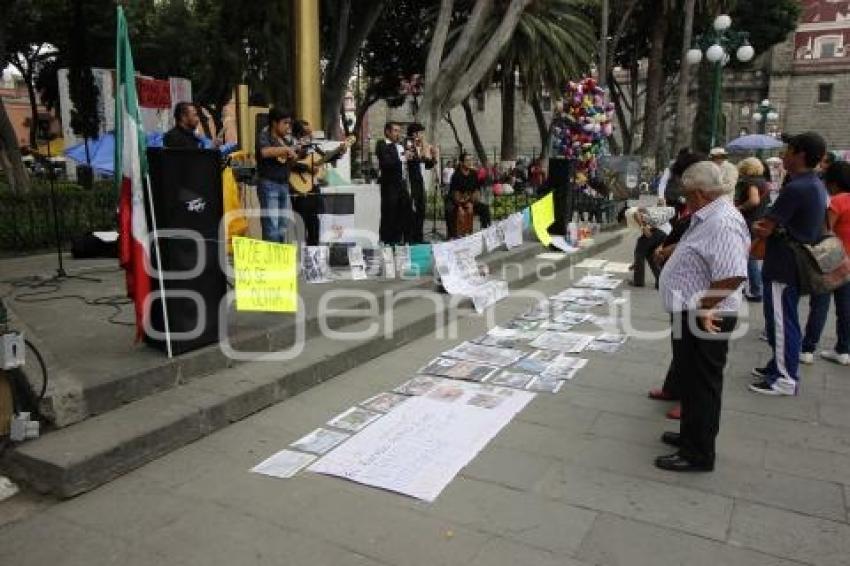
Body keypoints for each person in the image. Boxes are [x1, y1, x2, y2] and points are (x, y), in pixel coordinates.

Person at [656, 161, 749, 472]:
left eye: (686, 193)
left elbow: (733, 275)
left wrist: (705, 306)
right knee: (691, 380)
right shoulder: (709, 215)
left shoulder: (723, 221)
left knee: (703, 384)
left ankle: (698, 453)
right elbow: (699, 250)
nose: (683, 198)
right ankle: (689, 436)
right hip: (692, 312)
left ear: (698, 193)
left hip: (708, 315)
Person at [750, 132, 829, 396]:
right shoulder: (813, 183)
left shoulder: (797, 188)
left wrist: (756, 227)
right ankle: (777, 365)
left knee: (782, 322)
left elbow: (766, 227)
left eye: (789, 150)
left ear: (801, 155)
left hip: (785, 262)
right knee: (785, 319)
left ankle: (784, 378)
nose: (784, 155)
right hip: (793, 261)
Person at [799, 161, 850, 365]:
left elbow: (825, 230)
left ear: (834, 182)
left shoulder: (838, 201)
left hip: (832, 259)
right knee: (845, 307)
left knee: (820, 304)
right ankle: (844, 349)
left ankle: (808, 349)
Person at [288, 119, 348, 246]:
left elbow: (326, 157)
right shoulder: (292, 147)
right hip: (300, 191)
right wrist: (307, 168)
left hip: (314, 189)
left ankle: (313, 254)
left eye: (311, 132)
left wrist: (338, 153)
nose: (310, 135)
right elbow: (289, 164)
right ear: (298, 134)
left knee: (314, 224)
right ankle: (300, 257)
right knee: (300, 225)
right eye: (307, 132)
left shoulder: (314, 146)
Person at [255, 108, 297, 243]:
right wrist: (285, 149)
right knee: (271, 225)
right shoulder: (265, 135)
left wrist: (294, 155)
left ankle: (279, 258)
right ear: (274, 123)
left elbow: (291, 160)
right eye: (285, 123)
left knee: (282, 226)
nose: (288, 127)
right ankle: (271, 261)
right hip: (268, 183)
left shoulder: (287, 140)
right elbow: (264, 152)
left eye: (289, 123)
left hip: (284, 184)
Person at [734, 158, 770, 301]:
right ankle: (754, 288)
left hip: (749, 221)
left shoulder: (752, 183)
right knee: (750, 255)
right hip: (759, 219)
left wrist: (740, 207)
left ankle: (756, 289)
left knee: (749, 256)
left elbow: (754, 200)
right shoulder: (764, 182)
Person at [376, 121, 413, 244]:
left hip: (401, 184)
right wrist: (403, 158)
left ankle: (400, 240)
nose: (398, 133)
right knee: (389, 213)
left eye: (399, 131)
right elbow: (386, 163)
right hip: (389, 185)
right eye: (395, 130)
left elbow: (404, 163)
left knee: (405, 212)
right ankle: (386, 241)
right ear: (387, 131)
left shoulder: (401, 146)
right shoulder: (382, 144)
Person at [405, 123, 437, 244]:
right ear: (415, 133)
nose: (422, 136)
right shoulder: (408, 143)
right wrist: (424, 147)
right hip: (410, 181)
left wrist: (433, 157)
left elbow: (427, 164)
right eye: (420, 133)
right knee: (412, 210)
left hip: (419, 180)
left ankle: (418, 236)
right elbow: (414, 159)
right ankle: (410, 238)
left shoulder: (419, 145)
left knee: (421, 209)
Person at [447, 152, 491, 238]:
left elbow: (477, 190)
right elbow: (454, 194)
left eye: (471, 160)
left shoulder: (473, 174)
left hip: (470, 200)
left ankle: (485, 232)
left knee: (484, 208)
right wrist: (460, 206)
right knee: (449, 209)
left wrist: (472, 202)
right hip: (456, 201)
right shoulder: (456, 175)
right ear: (461, 162)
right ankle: (452, 235)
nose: (470, 162)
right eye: (467, 160)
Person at [631, 205, 675, 288]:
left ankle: (638, 282)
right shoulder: (652, 211)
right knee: (650, 255)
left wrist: (643, 227)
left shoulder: (628, 212)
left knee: (639, 252)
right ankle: (660, 280)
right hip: (665, 233)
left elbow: (635, 213)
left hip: (656, 231)